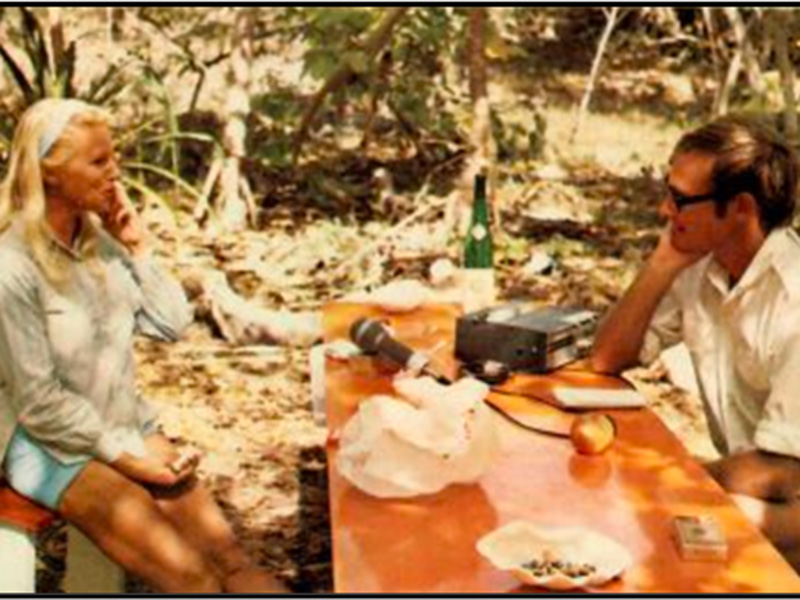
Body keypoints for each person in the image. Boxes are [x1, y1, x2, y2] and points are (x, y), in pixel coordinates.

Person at [0, 99, 287, 593]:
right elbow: (40, 406)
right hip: (43, 442)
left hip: (120, 420)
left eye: (114, 158)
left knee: (234, 564)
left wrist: (138, 248)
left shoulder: (100, 245)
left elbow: (171, 324)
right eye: (97, 161)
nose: (114, 173)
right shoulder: (11, 265)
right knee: (192, 580)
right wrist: (128, 458)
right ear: (48, 172)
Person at [591, 114, 800, 570]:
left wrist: (666, 483)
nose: (666, 211)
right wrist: (662, 264)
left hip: (786, 495)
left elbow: (783, 472)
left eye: (681, 199)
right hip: (751, 485)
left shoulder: (794, 301)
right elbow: (606, 359)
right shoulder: (701, 267)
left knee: (657, 526)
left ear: (742, 207)